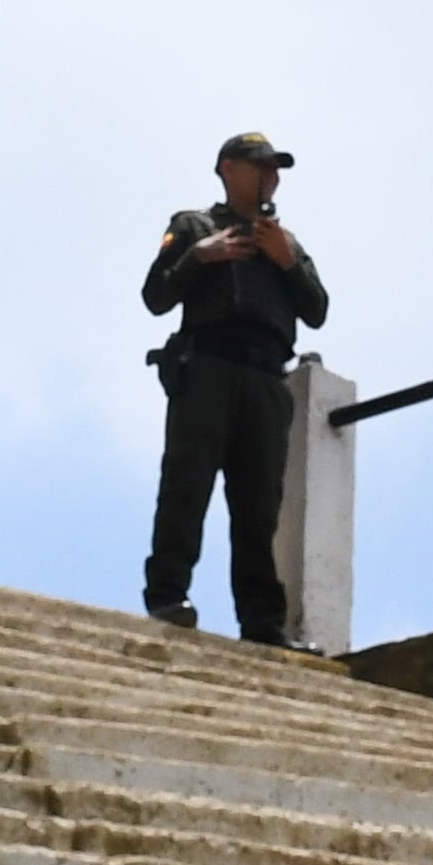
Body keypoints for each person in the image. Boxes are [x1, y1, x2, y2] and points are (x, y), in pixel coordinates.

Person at [140, 131, 329, 645]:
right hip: (207, 370)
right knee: (186, 487)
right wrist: (199, 257)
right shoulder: (194, 226)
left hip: (266, 379)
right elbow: (155, 296)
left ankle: (263, 623)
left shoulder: (284, 242)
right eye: (260, 166)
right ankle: (167, 595)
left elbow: (317, 310)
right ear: (228, 168)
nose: (271, 176)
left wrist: (284, 260)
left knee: (259, 507)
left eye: (275, 169)